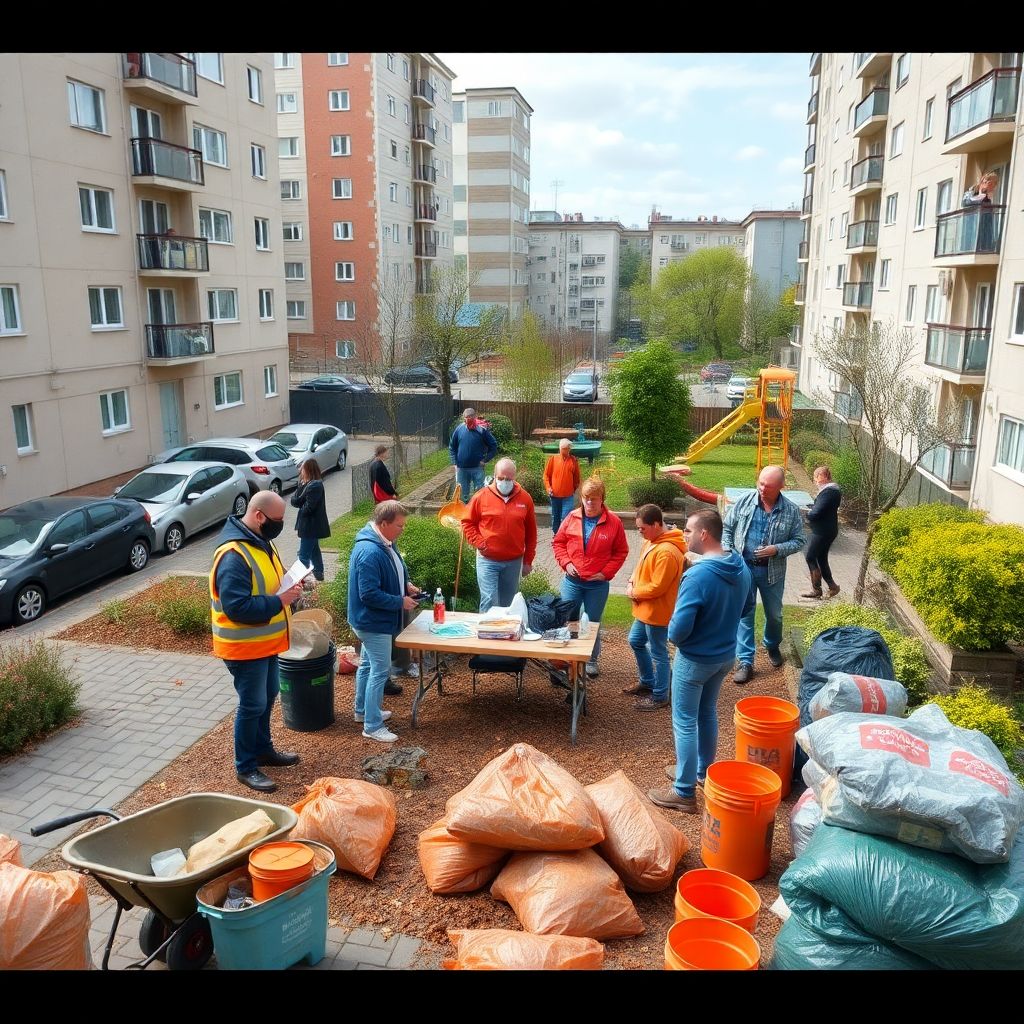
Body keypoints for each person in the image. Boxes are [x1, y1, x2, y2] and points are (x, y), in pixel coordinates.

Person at [647, 509, 752, 813]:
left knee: (684, 720)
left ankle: (683, 791)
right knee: (706, 713)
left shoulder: (698, 575)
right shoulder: (739, 565)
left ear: (705, 534)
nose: (684, 535)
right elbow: (747, 608)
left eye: (689, 531)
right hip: (724, 657)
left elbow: (679, 628)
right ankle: (702, 773)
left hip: (695, 659)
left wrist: (674, 639)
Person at [210, 491, 304, 793]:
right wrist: (279, 601)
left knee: (267, 696)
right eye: (278, 520)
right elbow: (237, 608)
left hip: (266, 644)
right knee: (252, 704)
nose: (281, 525)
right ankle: (246, 766)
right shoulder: (233, 555)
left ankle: (264, 750)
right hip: (244, 648)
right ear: (259, 516)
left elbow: (268, 580)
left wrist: (291, 580)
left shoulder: (262, 541)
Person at [347, 501, 422, 743]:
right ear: (384, 523)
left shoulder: (384, 541)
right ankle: (372, 725)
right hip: (372, 623)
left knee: (368, 666)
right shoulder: (370, 551)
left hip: (373, 620)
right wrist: (399, 602)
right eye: (399, 525)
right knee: (379, 671)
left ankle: (363, 712)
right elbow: (368, 594)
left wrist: (405, 585)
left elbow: (394, 567)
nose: (403, 529)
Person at [723, 465, 805, 684]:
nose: (762, 489)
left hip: (772, 573)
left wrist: (776, 549)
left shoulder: (790, 510)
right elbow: (727, 528)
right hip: (744, 570)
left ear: (781, 486)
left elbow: (799, 541)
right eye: (760, 483)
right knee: (744, 616)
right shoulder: (744, 501)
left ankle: (772, 645)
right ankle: (745, 662)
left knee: (775, 615)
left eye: (768, 486)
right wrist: (730, 553)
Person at [552, 477, 629, 678]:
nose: (589, 503)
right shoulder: (572, 517)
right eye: (586, 498)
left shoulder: (614, 522)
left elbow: (621, 552)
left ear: (602, 499)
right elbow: (558, 543)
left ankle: (591, 660)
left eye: (594, 499)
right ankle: (568, 659)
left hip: (597, 584)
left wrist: (605, 573)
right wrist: (566, 563)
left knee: (592, 622)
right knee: (569, 618)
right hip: (572, 582)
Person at [624, 503, 687, 710]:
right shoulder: (652, 541)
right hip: (647, 610)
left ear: (657, 524)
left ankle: (660, 695)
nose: (639, 532)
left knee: (658, 652)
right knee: (636, 640)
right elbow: (639, 565)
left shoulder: (667, 552)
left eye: (642, 528)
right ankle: (648, 682)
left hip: (658, 611)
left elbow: (658, 587)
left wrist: (634, 592)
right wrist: (632, 580)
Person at [463, 457, 537, 612]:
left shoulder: (525, 499)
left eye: (508, 479)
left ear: (514, 478)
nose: (504, 482)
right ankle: (486, 634)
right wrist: (479, 543)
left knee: (508, 605)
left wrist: (528, 560)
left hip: (513, 561)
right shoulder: (481, 497)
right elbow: (467, 522)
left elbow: (531, 533)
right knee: (490, 601)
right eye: (501, 478)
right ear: (494, 476)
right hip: (487, 560)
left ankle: (505, 635)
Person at [801, 465, 842, 599]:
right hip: (828, 529)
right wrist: (813, 508)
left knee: (810, 557)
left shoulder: (829, 492)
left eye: (816, 477)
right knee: (821, 558)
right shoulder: (832, 491)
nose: (815, 481)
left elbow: (817, 512)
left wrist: (809, 514)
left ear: (823, 476)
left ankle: (816, 589)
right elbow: (823, 508)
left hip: (822, 531)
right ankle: (832, 587)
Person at [291, 459, 329, 582]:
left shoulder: (315, 485)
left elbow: (308, 507)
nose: (300, 471)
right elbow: (294, 501)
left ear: (308, 469)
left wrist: (301, 506)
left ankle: (298, 580)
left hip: (310, 526)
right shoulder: (307, 484)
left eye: (302, 468)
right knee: (314, 550)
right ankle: (319, 573)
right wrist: (301, 485)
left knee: (303, 555)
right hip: (309, 525)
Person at [449, 408, 497, 499]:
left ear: (475, 417)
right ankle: (464, 510)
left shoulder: (482, 431)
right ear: (464, 419)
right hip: (461, 469)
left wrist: (485, 460)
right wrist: (454, 462)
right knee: (462, 495)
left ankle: (478, 511)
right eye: (467, 417)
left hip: (477, 468)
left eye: (471, 416)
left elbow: (493, 446)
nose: (469, 419)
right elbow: (452, 447)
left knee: (480, 494)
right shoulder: (459, 430)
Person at [544, 438, 581, 535]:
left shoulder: (573, 460)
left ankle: (563, 536)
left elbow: (577, 478)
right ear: (560, 449)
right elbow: (546, 475)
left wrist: (573, 489)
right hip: (554, 496)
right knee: (555, 517)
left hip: (568, 497)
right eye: (564, 448)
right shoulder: (553, 459)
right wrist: (548, 488)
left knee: (566, 517)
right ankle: (556, 535)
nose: (566, 450)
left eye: (567, 448)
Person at [961, 171, 998, 252]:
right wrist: (982, 195)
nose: (992, 187)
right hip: (971, 227)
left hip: (984, 229)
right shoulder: (971, 192)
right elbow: (966, 202)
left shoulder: (988, 198)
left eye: (994, 185)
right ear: (983, 181)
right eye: (990, 184)